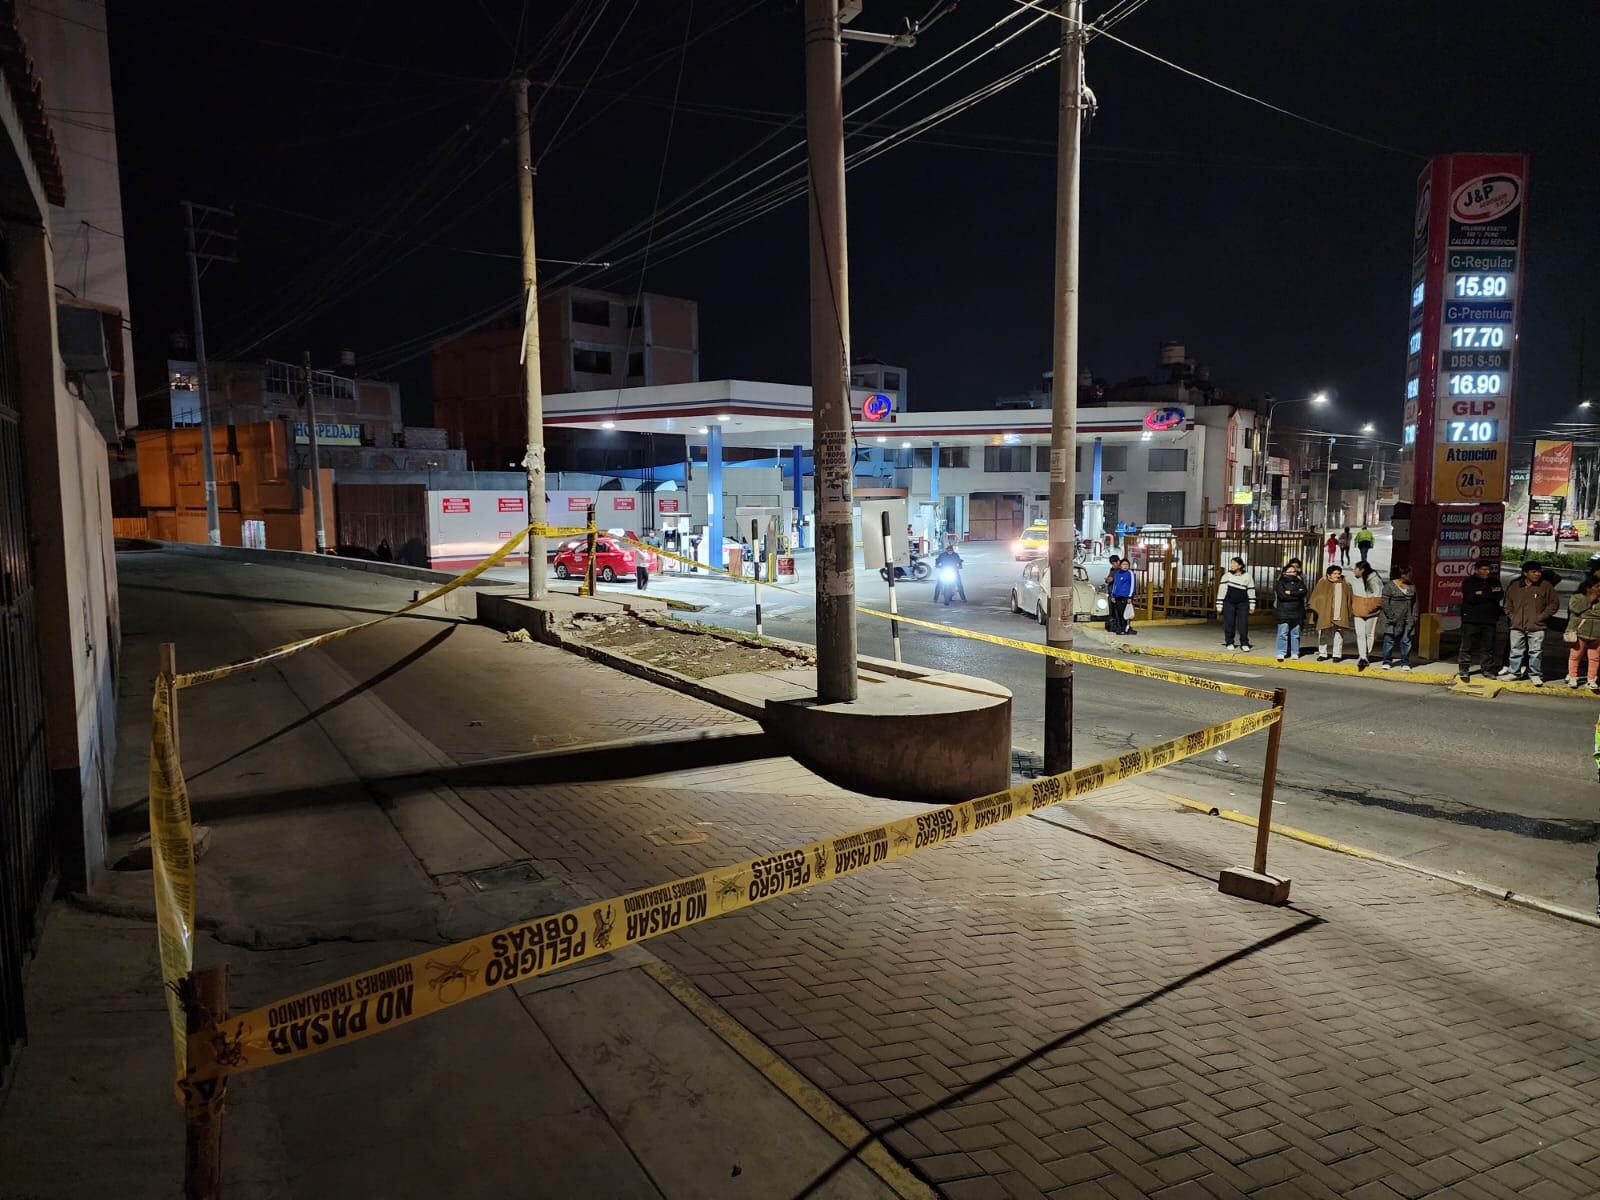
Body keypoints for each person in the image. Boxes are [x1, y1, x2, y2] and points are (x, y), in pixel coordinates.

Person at [1500, 560, 1558, 685]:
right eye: (1534, 572)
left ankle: (1535, 674)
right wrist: (1512, 616)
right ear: (1525, 573)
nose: (1537, 574)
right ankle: (1513, 672)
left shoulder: (1546, 586)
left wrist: (1540, 617)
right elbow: (1507, 603)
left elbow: (1553, 604)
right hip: (1516, 625)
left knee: (1536, 652)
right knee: (1515, 650)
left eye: (1539, 571)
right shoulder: (1515, 586)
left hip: (1537, 626)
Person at [1457, 558, 1504, 682]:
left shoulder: (1494, 581)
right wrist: (1488, 594)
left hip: (1489, 620)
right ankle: (1464, 670)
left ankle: (1487, 669)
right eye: (1484, 569)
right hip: (1471, 619)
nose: (1487, 571)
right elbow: (1471, 598)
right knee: (1466, 646)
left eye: (1488, 569)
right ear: (1476, 570)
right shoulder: (1469, 582)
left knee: (1487, 647)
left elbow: (1498, 595)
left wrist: (1481, 594)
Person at [1308, 563, 1354, 662]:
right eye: (1334, 573)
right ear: (1329, 575)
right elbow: (1315, 598)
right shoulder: (1322, 584)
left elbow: (1349, 600)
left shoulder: (1345, 585)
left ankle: (1337, 655)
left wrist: (1347, 612)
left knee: (1339, 634)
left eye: (1338, 573)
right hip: (1325, 613)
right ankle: (1322, 653)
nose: (1337, 575)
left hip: (1339, 614)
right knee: (1323, 633)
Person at [1564, 577, 1600, 691]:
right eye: (1597, 586)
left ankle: (1591, 680)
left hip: (1597, 634)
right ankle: (1573, 677)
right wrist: (1589, 600)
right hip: (1580, 632)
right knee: (1575, 656)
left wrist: (1587, 614)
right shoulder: (1577, 597)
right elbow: (1576, 609)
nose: (1599, 589)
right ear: (1588, 588)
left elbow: (1585, 614)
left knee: (1595, 658)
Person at [1380, 565, 1418, 670]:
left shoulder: (1412, 587)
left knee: (1406, 640)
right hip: (1392, 619)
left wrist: (1414, 616)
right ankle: (1387, 661)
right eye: (1409, 574)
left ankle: (1405, 662)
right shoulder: (1389, 586)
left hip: (1408, 618)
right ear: (1402, 575)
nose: (1411, 576)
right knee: (1389, 640)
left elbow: (1415, 603)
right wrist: (1391, 617)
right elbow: (1385, 603)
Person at [1349, 560, 1384, 670]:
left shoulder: (1375, 580)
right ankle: (1363, 657)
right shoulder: (1354, 579)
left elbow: (1378, 597)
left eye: (1356, 569)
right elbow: (1343, 580)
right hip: (1359, 611)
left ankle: (1365, 655)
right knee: (1360, 634)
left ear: (1362, 570)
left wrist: (1370, 608)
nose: (1354, 571)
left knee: (1369, 634)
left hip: (1371, 612)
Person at [1215, 557, 1255, 651]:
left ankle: (1244, 643)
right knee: (1229, 622)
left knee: (1243, 623)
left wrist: (1252, 605)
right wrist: (1219, 605)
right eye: (1231, 563)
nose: (1232, 565)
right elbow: (1222, 591)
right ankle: (1229, 642)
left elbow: (1251, 591)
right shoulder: (1227, 576)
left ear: (1240, 565)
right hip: (1229, 603)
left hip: (1243, 603)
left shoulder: (1247, 577)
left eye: (1234, 563)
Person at [1272, 558, 1308, 662]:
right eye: (1291, 571)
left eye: (1295, 571)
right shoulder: (1280, 582)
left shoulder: (1300, 581)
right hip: (1284, 612)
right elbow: (1282, 596)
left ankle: (1295, 652)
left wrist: (1291, 593)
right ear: (1284, 572)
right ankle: (1281, 652)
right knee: (1283, 632)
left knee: (1295, 633)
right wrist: (1297, 594)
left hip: (1297, 611)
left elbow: (1304, 592)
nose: (1293, 573)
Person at [1108, 555, 1137, 635]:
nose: (1125, 566)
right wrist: (1113, 595)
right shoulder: (1117, 573)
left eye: (1127, 565)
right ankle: (1120, 628)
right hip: (1117, 596)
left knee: (1125, 614)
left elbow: (1132, 585)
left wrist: (1130, 596)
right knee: (1119, 614)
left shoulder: (1130, 573)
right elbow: (1115, 585)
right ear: (1120, 565)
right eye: (1124, 564)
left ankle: (1125, 628)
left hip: (1126, 597)